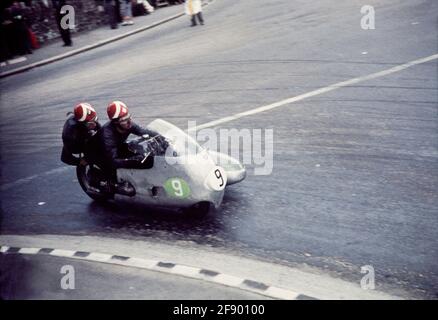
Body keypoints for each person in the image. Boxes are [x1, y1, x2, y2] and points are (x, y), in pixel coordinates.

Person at [96, 101, 158, 194]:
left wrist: (163, 137)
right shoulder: (107, 135)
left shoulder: (128, 124)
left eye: (128, 116)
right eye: (124, 119)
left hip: (117, 146)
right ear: (116, 122)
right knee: (133, 161)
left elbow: (143, 131)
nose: (129, 121)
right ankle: (111, 185)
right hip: (102, 153)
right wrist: (132, 161)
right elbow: (112, 161)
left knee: (141, 153)